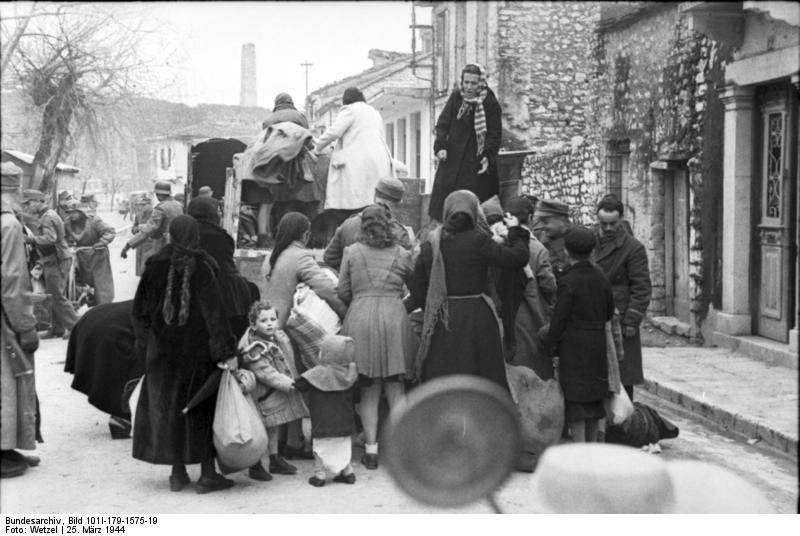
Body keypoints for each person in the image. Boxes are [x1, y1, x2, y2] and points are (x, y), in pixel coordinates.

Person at [131, 215, 238, 494]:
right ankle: (206, 475)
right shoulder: (204, 266)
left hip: (162, 354)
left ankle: (177, 474)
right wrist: (226, 352)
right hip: (198, 355)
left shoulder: (154, 265)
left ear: (171, 235)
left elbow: (139, 311)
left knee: (169, 411)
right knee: (201, 410)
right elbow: (215, 315)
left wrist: (146, 345)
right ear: (196, 236)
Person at [408, 190, 529, 389]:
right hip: (478, 318)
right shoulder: (479, 241)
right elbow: (518, 258)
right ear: (474, 212)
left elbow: (418, 287)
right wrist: (517, 232)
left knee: (445, 373)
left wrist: (432, 306)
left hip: (442, 318)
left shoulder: (431, 244)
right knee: (480, 373)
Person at [337, 205, 417, 470]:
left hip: (360, 318)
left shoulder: (351, 252)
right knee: (396, 388)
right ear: (388, 224)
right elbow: (417, 289)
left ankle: (371, 451)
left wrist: (362, 299)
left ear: (363, 226)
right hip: (394, 318)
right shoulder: (403, 254)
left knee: (368, 390)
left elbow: (343, 290)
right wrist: (397, 303)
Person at [262, 212, 346, 457]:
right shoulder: (302, 257)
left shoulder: (270, 256)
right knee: (299, 383)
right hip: (290, 332)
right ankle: (294, 444)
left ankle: (287, 442)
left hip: (269, 328)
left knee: (284, 384)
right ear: (305, 234)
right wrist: (346, 310)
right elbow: (327, 290)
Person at [546, 226, 614, 443]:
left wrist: (551, 345)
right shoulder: (601, 277)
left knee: (576, 404)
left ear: (566, 251)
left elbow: (559, 318)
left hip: (574, 347)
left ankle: (579, 451)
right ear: (593, 250)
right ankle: (593, 451)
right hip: (596, 344)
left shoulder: (568, 281)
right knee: (594, 402)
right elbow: (609, 311)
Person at [1, 162, 41, 478]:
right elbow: (12, 278)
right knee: (10, 380)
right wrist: (25, 325)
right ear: (15, 190)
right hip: (5, 316)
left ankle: (9, 446)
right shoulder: (9, 225)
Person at [591, 194, 652, 402]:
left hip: (621, 319)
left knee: (623, 377)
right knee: (595, 375)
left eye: (613, 224)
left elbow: (641, 287)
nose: (608, 229)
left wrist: (632, 320)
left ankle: (623, 426)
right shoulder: (589, 241)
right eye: (603, 223)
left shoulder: (633, 248)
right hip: (593, 316)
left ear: (621, 220)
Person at [238, 302, 308, 480]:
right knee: (260, 429)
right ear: (253, 324)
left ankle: (275, 458)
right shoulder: (254, 348)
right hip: (260, 394)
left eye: (273, 319)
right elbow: (265, 372)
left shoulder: (276, 338)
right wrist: (290, 383)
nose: (269, 324)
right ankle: (255, 464)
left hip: (271, 394)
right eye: (263, 320)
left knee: (274, 426)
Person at [428, 64, 502, 222]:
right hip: (452, 163)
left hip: (476, 166)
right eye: (466, 82)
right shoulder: (456, 97)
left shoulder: (489, 103)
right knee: (444, 212)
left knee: (473, 214)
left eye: (473, 83)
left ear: (480, 83)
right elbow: (442, 125)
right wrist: (441, 147)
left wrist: (487, 156)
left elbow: (495, 134)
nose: (468, 87)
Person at [244, 92, 317, 246]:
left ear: (277, 104)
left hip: (271, 164)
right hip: (294, 162)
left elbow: (265, 140)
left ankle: (264, 237)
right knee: (295, 199)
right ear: (291, 102)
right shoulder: (299, 116)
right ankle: (299, 236)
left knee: (267, 202)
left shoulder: (269, 119)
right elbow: (306, 136)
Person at [313, 87, 393, 225]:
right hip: (379, 158)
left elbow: (334, 132)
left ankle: (350, 229)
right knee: (370, 198)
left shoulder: (350, 110)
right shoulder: (374, 112)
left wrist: (317, 147)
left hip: (358, 160)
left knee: (352, 200)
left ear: (346, 101)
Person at [187, 196, 257, 338]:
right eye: (217, 211)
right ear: (210, 213)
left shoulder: (187, 233)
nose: (219, 214)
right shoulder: (218, 236)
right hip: (226, 293)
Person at [294, 334, 358, 487]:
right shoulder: (349, 373)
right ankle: (347, 473)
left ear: (325, 353)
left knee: (320, 449)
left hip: (322, 423)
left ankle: (320, 475)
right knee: (343, 448)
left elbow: (299, 385)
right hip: (345, 422)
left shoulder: (317, 373)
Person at [506, 196, 558, 378]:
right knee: (533, 370)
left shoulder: (498, 242)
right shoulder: (538, 249)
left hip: (505, 315)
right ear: (530, 218)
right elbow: (549, 287)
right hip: (531, 316)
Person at [21, 188, 78, 339]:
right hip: (53, 259)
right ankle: (57, 329)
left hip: (57, 259)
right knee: (53, 294)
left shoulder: (47, 217)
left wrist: (30, 239)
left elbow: (50, 239)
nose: (28, 206)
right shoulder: (47, 215)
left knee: (57, 296)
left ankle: (77, 327)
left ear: (39, 201)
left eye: (30, 202)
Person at [323, 176, 414, 271]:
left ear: (375, 196)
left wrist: (350, 274)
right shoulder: (399, 232)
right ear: (399, 204)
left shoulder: (348, 224)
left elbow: (329, 258)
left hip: (352, 283)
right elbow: (407, 268)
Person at [121, 181, 183, 276]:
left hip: (163, 246)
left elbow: (147, 230)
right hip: (178, 245)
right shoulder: (178, 205)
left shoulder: (160, 208)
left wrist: (128, 245)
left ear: (159, 194)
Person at [63, 199, 116, 305]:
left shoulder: (94, 221)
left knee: (101, 282)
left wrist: (101, 243)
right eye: (69, 212)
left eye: (74, 212)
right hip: (82, 257)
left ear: (81, 211)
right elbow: (64, 238)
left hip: (98, 255)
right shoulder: (67, 223)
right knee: (87, 281)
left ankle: (105, 306)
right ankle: (92, 302)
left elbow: (110, 232)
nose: (71, 215)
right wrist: (69, 246)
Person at [532, 199, 572, 282]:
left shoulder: (578, 240)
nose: (542, 226)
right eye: (540, 221)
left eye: (546, 221)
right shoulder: (537, 237)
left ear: (562, 219)